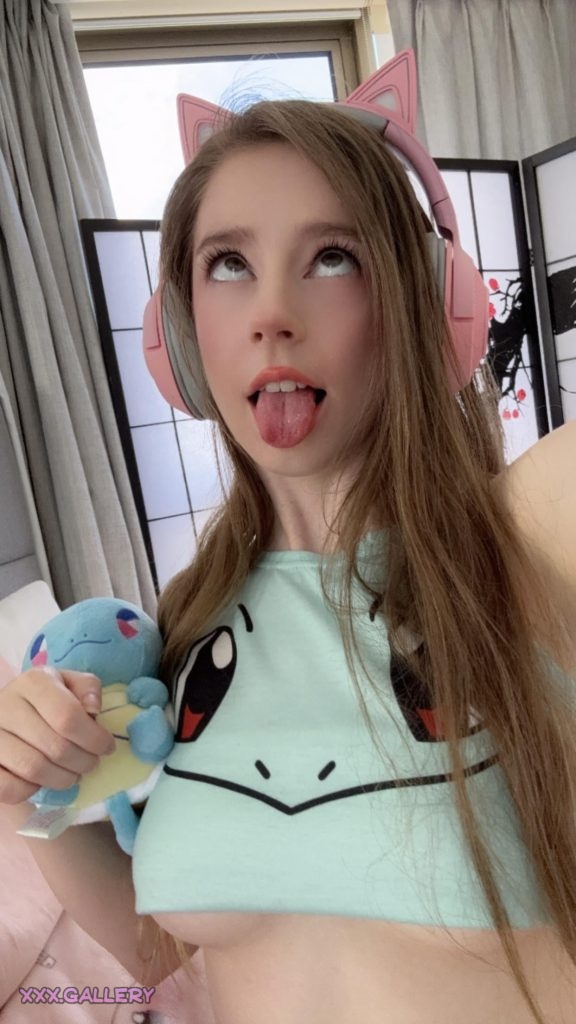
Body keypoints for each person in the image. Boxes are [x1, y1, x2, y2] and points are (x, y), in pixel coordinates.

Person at [1, 51, 576, 1024]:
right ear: (181, 334)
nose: (271, 315)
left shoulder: (535, 534)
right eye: (228, 264)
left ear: (425, 301)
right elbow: (160, 951)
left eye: (333, 256)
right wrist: (29, 800)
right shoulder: (191, 624)